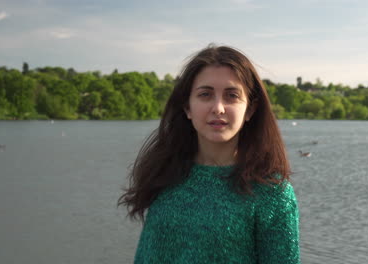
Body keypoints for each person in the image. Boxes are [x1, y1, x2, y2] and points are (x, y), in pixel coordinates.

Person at [118, 44, 300, 263]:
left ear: (250, 109)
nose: (218, 108)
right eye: (205, 94)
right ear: (187, 107)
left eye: (231, 95)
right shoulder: (164, 176)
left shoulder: (271, 193)